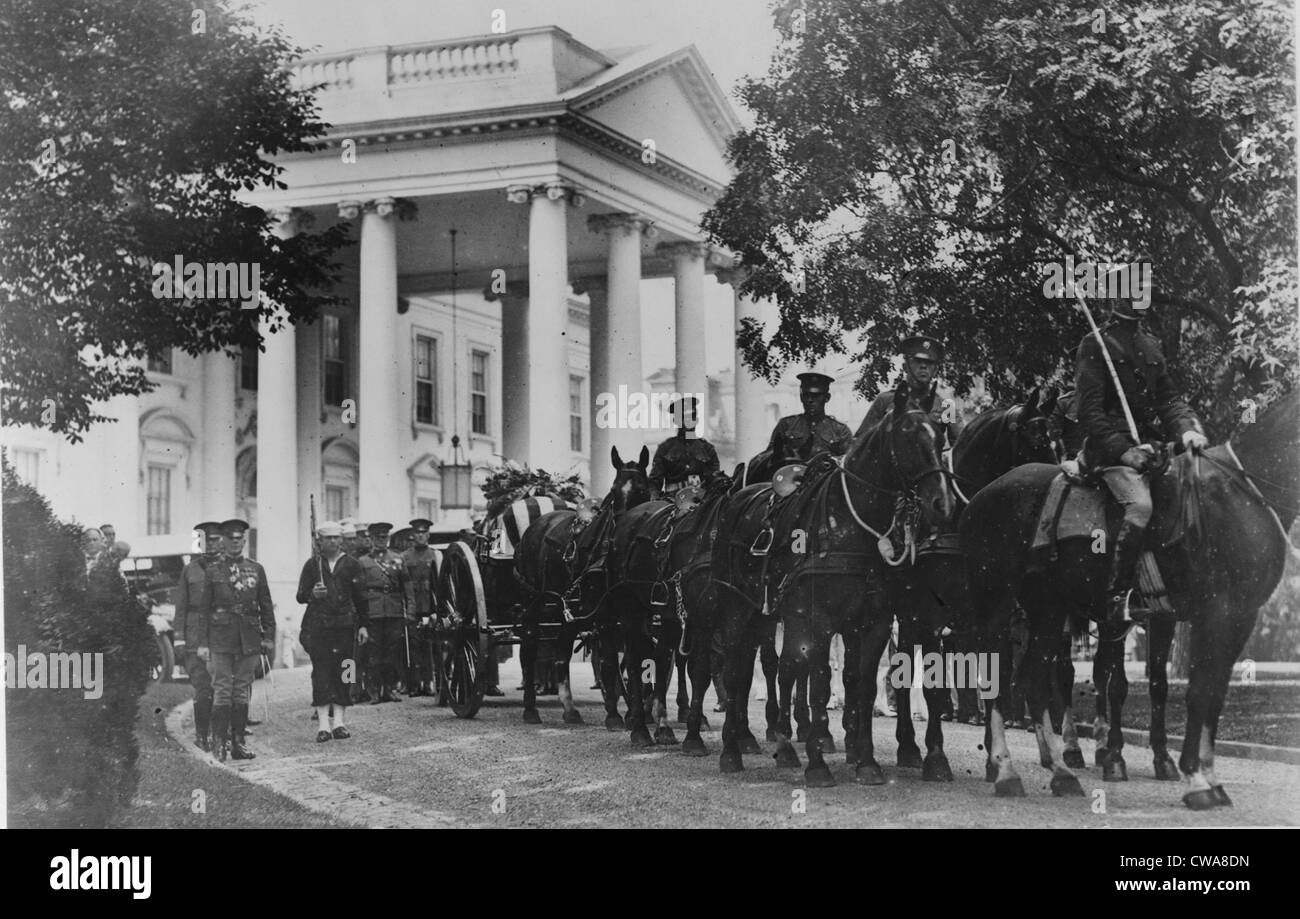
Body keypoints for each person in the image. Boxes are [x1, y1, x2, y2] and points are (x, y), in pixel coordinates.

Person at [1075, 296, 1207, 624]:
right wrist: (1124, 451)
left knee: (1189, 493)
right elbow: (1089, 411)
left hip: (1150, 448)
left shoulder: (1151, 345)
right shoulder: (1096, 344)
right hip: (1109, 453)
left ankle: (1173, 586)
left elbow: (1169, 399)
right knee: (1140, 506)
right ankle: (1117, 595)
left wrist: (1188, 429)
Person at [194, 519, 275, 760]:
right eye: (231, 539)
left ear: (244, 540)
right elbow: (204, 610)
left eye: (240, 539)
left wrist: (268, 637)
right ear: (224, 541)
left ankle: (238, 744)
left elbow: (266, 606)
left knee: (241, 690)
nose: (236, 543)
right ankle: (220, 744)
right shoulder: (213, 570)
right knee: (222, 690)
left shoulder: (256, 569)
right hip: (220, 638)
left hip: (249, 637)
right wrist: (202, 643)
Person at [298, 521, 370, 742]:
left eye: (335, 538)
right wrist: (313, 594)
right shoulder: (312, 565)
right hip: (319, 628)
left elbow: (361, 598)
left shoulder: (352, 565)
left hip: (346, 628)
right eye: (327, 538)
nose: (332, 542)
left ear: (341, 540)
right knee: (321, 673)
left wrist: (364, 625)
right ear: (320, 541)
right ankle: (323, 726)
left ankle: (339, 722)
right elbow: (300, 596)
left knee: (346, 671)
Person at [173, 521, 223, 751]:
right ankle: (203, 734)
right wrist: (179, 638)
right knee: (202, 688)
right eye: (205, 540)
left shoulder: (227, 567)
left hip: (221, 637)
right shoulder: (189, 570)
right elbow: (181, 607)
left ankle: (222, 734)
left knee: (221, 688)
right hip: (194, 638)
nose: (210, 545)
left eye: (214, 539)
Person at [856, 334, 951, 443]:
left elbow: (962, 445)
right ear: (905, 367)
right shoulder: (885, 400)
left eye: (929, 363)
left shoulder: (947, 406)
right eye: (917, 361)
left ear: (935, 370)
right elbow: (861, 443)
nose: (923, 366)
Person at [357, 522, 409, 702]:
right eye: (377, 537)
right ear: (370, 539)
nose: (381, 541)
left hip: (394, 612)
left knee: (392, 653)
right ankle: (373, 692)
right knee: (373, 654)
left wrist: (410, 612)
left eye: (384, 537)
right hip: (373, 612)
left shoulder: (398, 559)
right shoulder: (363, 562)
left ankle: (388, 689)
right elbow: (359, 592)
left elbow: (407, 588)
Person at [648, 396, 720, 498]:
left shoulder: (707, 449)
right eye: (684, 419)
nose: (688, 423)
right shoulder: (665, 449)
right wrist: (654, 498)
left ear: (697, 420)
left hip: (702, 500)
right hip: (672, 501)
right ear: (676, 421)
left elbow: (715, 479)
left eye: (692, 418)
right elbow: (655, 481)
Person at [402, 518, 439, 697]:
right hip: (413, 607)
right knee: (413, 647)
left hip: (430, 607)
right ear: (413, 535)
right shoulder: (405, 557)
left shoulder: (435, 555)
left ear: (428, 534)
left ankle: (429, 682)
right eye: (417, 533)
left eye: (424, 533)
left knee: (430, 646)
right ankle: (415, 684)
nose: (421, 536)